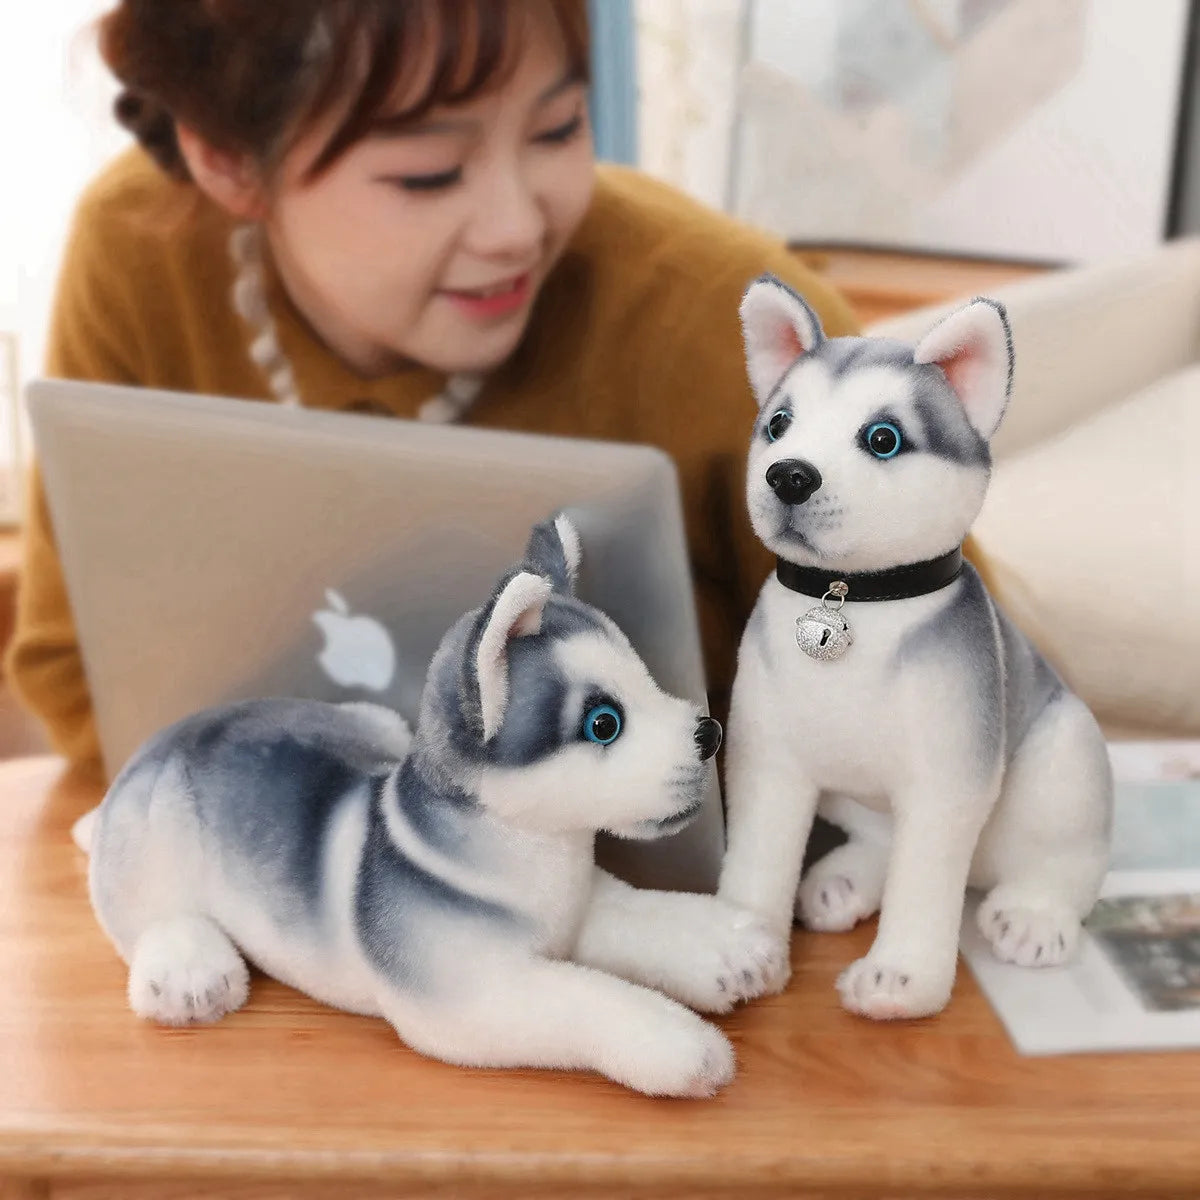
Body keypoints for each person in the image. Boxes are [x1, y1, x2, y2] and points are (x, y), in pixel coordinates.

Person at [7, 0, 984, 780]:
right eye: (431, 174)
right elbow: (74, 669)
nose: (518, 225)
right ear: (225, 161)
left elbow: (972, 694)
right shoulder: (140, 250)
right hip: (291, 896)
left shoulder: (724, 324)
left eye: (559, 128)